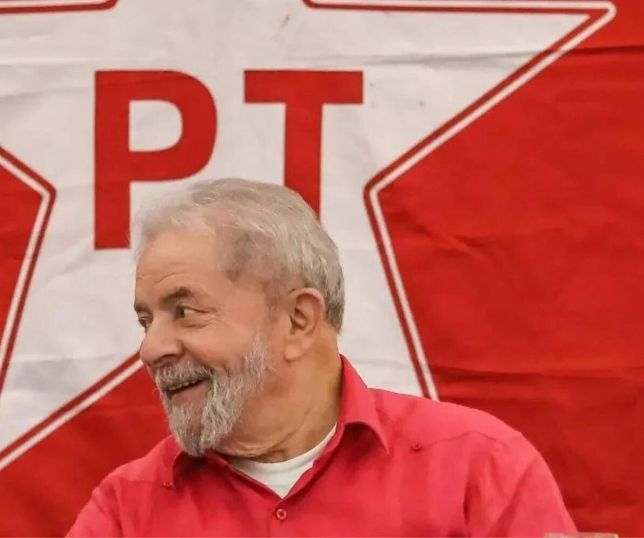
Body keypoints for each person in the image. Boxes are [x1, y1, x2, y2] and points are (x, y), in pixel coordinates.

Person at [68, 178, 576, 536]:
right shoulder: (125, 509)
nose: (151, 349)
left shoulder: (479, 467)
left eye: (185, 312)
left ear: (298, 321)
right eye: (146, 320)